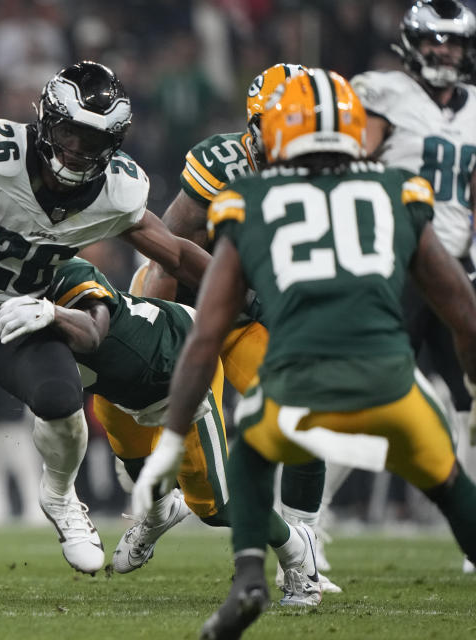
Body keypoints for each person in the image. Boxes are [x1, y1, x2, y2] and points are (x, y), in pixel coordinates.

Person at [133, 68, 476, 639]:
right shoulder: (398, 188)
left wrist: (169, 436)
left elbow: (204, 329)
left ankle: (252, 577)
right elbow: (463, 313)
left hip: (298, 376)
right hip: (393, 382)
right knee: (449, 483)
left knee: (247, 455)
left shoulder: (253, 202)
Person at [0, 60, 210, 606]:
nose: (80, 147)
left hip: (22, 310)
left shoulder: (118, 191)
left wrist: (244, 289)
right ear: (49, 121)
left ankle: (60, 496)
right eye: (72, 130)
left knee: (60, 397)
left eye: (95, 137)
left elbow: (173, 251)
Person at [0, 256, 325, 606]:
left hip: (175, 370)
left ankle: (296, 551)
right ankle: (158, 513)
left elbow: (94, 325)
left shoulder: (66, 273)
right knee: (138, 472)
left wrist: (52, 312)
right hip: (115, 393)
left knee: (216, 507)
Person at [128, 62, 340, 584]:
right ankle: (153, 516)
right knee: (142, 418)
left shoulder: (331, 172)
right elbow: (166, 253)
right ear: (256, 124)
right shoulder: (223, 163)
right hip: (191, 305)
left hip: (252, 317)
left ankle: (303, 551)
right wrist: (162, 331)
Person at [317, 1, 476, 571]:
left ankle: (471, 539)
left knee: (471, 407)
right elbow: (343, 161)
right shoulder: (381, 93)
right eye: (432, 41)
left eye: (452, 43)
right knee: (363, 394)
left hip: (456, 270)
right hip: (393, 264)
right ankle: (308, 521)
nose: (442, 52)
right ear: (411, 43)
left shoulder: (475, 108)